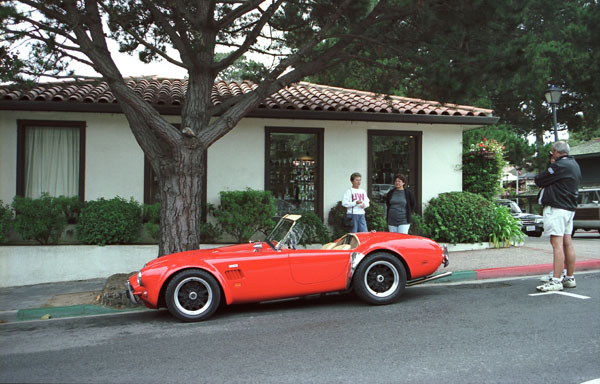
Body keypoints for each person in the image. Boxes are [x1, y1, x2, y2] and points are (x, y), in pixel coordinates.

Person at [534, 141, 582, 292]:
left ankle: (556, 280)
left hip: (557, 208)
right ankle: (569, 277)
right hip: (568, 208)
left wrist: (552, 164)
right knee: (567, 242)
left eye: (552, 153)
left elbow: (539, 179)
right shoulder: (574, 164)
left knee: (557, 244)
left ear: (555, 151)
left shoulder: (559, 166)